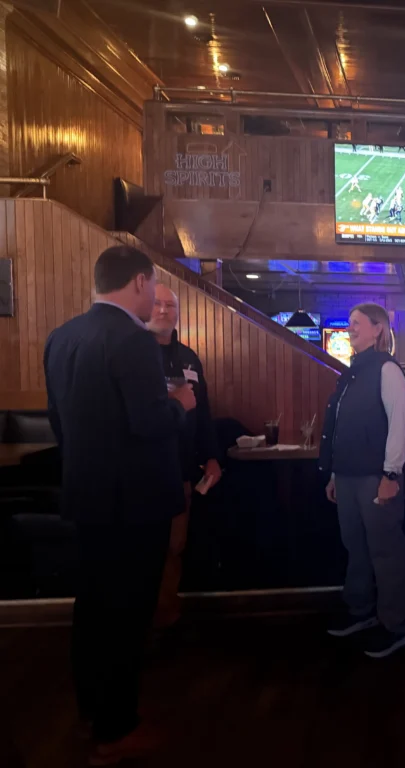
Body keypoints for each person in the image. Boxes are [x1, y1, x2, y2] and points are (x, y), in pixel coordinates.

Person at [44, 245, 196, 764]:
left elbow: (58, 423)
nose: (155, 297)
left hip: (86, 499)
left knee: (92, 612)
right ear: (137, 282)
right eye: (154, 286)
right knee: (128, 616)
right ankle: (116, 730)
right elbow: (150, 423)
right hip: (134, 507)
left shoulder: (61, 339)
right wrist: (179, 406)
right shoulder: (132, 341)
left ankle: (92, 710)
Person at [318, 302, 405, 659]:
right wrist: (333, 474)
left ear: (378, 329)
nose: (350, 328)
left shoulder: (387, 369)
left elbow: (399, 424)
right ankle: (360, 612)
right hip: (346, 476)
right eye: (349, 323)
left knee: (386, 552)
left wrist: (391, 474)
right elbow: (341, 426)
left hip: (376, 477)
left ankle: (396, 626)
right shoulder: (353, 370)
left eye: (356, 323)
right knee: (355, 548)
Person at [147, 284, 222, 629]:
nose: (164, 310)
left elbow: (203, 411)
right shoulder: (133, 354)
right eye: (158, 304)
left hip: (181, 471)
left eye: (170, 305)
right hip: (141, 471)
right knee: (143, 550)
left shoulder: (189, 357)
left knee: (175, 547)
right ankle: (139, 623)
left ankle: (166, 618)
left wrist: (211, 456)